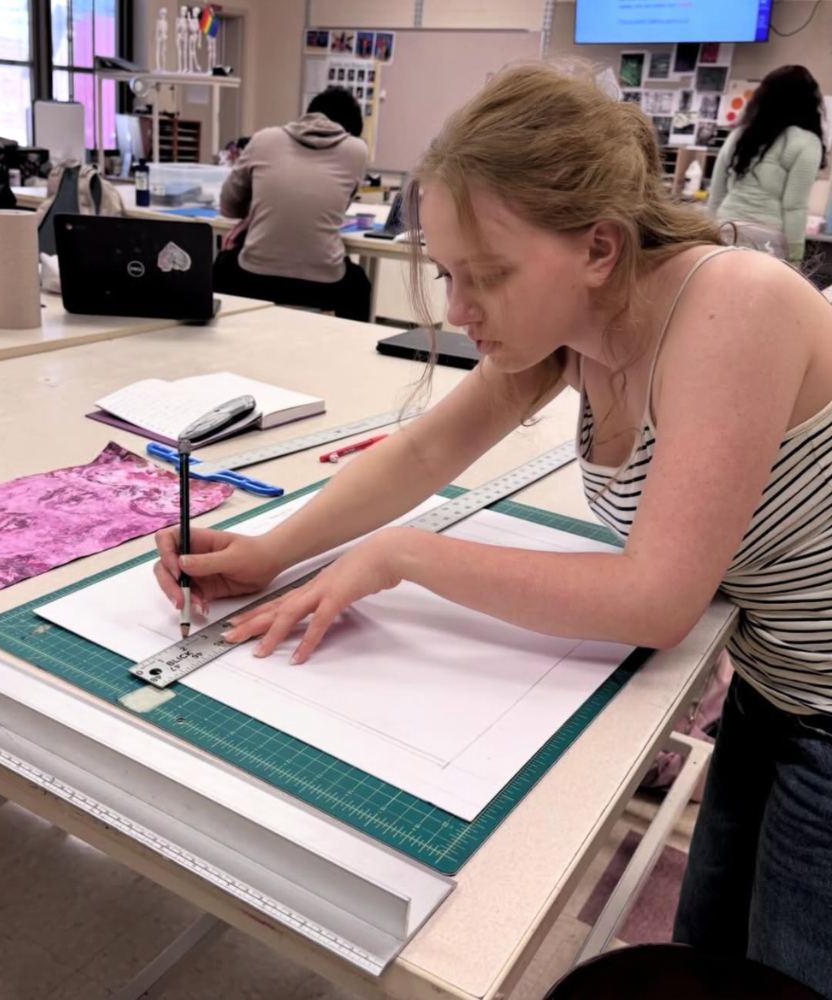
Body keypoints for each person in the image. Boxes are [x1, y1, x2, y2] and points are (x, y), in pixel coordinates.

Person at [156, 62, 832, 997]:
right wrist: (270, 552)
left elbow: (658, 598)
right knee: (712, 947)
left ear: (599, 246)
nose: (462, 310)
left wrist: (403, 553)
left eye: (489, 277)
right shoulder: (572, 320)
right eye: (445, 275)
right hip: (777, 679)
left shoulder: (731, 305)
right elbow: (422, 455)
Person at [212, 87, 371, 321]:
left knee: (221, 266)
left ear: (309, 115)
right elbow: (332, 208)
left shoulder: (264, 139)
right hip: (324, 285)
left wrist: (256, 215)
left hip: (252, 279)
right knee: (359, 286)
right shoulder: (356, 151)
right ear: (349, 132)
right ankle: (349, 356)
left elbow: (228, 207)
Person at [708, 65, 826, 267]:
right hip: (767, 239)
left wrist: (708, 235)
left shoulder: (739, 135)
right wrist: (795, 257)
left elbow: (717, 192)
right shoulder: (806, 142)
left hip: (725, 228)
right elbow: (794, 205)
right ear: (810, 103)